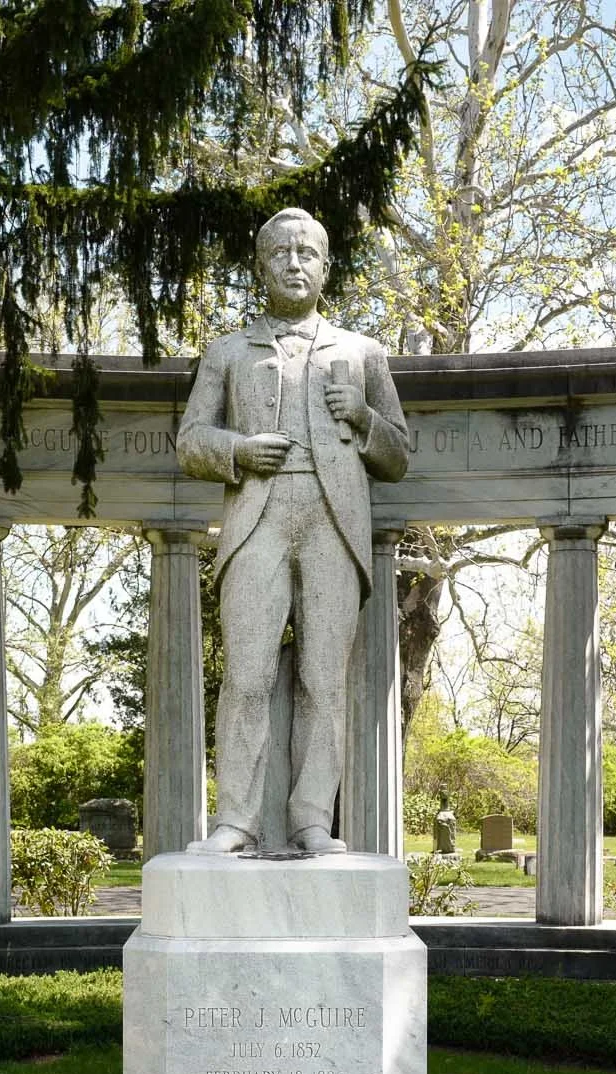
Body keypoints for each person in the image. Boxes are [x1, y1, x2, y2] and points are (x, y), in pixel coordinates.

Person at [176, 207, 409, 854]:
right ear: (261, 267)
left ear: (326, 268)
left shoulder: (363, 353)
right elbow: (190, 440)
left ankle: (311, 819)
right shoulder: (227, 352)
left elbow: (398, 454)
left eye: (307, 252)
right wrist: (238, 450)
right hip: (259, 517)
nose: (294, 263)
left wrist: (363, 417)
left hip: (332, 519)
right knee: (246, 676)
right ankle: (236, 820)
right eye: (280, 252)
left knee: (323, 680)